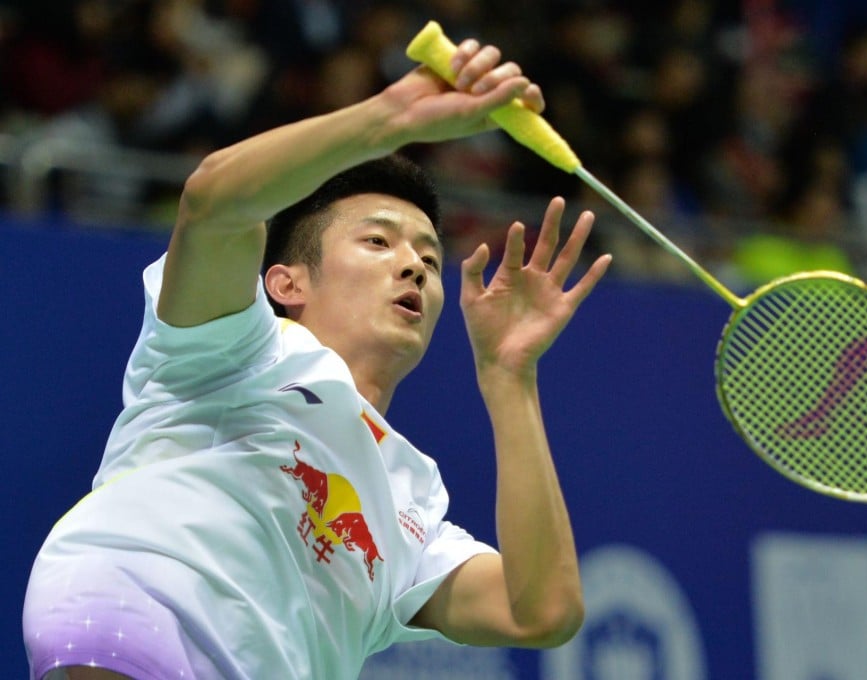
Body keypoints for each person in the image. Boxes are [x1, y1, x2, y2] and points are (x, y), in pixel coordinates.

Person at [23, 34, 612, 679]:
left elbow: (541, 612)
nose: (414, 263)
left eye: (428, 256)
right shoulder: (238, 346)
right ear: (286, 283)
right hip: (133, 611)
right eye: (378, 241)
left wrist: (510, 377)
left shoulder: (410, 502)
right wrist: (390, 116)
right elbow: (214, 201)